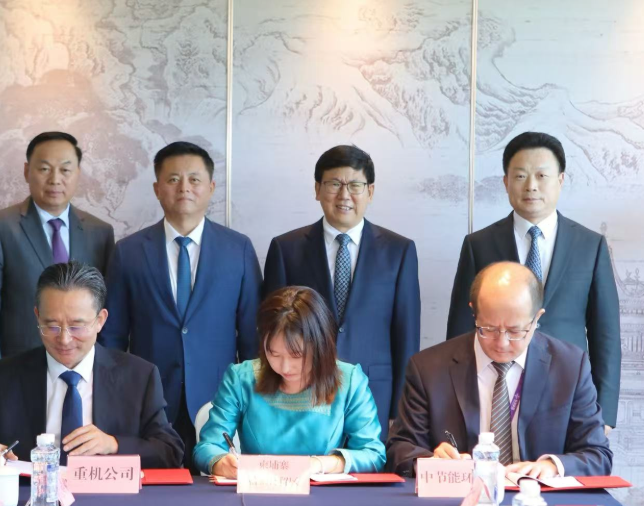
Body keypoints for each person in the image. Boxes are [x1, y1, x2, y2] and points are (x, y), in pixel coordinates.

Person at [99, 141, 262, 472]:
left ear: (211, 187)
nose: (184, 187)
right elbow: (112, 337)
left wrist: (253, 402)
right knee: (153, 491)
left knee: (217, 489)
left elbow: (252, 337)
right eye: (173, 179)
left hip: (220, 402)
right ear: (157, 189)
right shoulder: (128, 252)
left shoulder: (239, 249)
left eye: (194, 179)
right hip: (149, 402)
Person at [446, 132, 620, 432]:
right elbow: (461, 328)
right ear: (505, 182)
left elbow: (606, 334)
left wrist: (604, 414)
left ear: (560, 180)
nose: (531, 186)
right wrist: (456, 401)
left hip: (569, 388)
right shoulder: (479, 244)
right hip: (497, 386)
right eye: (520, 176)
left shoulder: (590, 245)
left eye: (541, 175)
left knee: (563, 462)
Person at [0, 261, 183, 473]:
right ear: (37, 316)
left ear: (100, 321)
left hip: (109, 499)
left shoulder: (139, 376)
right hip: (31, 499)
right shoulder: (2, 378)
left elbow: (170, 451)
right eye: (51, 326)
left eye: (76, 326)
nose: (64, 339)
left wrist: (113, 445)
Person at [387, 262, 612, 478]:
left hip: (536, 496)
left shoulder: (569, 367)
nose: (501, 343)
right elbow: (400, 448)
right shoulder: (429, 368)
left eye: (515, 331)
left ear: (537, 318)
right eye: (489, 328)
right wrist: (429, 461)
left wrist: (552, 466)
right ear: (474, 313)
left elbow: (597, 455)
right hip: (459, 497)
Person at [262, 145, 420, 437]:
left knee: (368, 463)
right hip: (301, 393)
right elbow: (271, 331)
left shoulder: (399, 251)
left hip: (375, 392)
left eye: (355, 185)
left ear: (370, 191)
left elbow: (406, 336)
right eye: (334, 184)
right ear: (317, 189)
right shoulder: (286, 249)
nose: (344, 195)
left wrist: (399, 410)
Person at [0, 131, 115, 389]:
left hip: (85, 375)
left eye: (65, 170)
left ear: (78, 173)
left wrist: (105, 375)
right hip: (18, 374)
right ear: (27, 171)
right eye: (44, 169)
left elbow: (107, 310)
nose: (55, 179)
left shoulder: (100, 232)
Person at [194, 286, 386, 478]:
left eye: (297, 355)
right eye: (274, 354)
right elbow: (207, 446)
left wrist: (320, 464)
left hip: (324, 493)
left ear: (320, 345)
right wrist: (221, 463)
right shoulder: (241, 378)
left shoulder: (349, 380)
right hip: (258, 491)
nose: (285, 367)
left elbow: (372, 453)